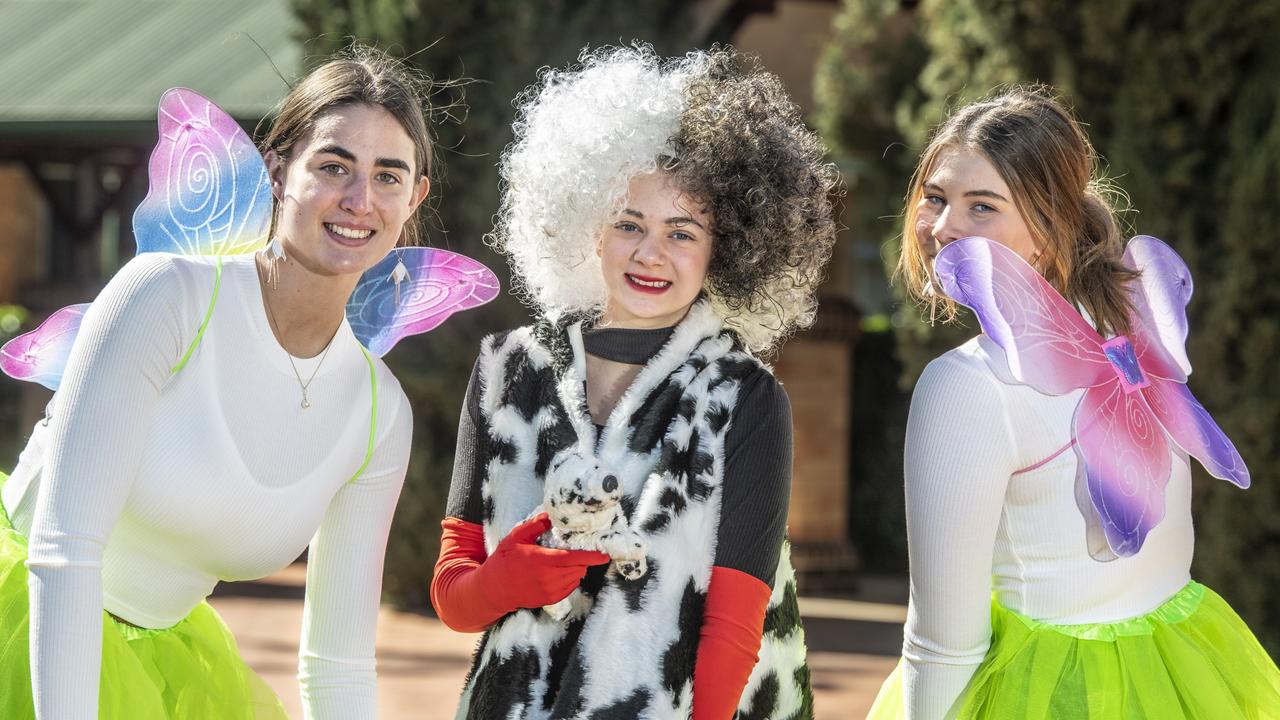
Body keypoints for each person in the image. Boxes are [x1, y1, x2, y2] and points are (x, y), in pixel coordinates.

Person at [0, 46, 435, 718]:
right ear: (278, 170)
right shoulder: (165, 299)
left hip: (164, 675)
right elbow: (63, 552)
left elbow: (338, 666)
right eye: (332, 165)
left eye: (387, 175)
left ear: (415, 198)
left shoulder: (380, 416)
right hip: (28, 619)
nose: (358, 199)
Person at [429, 45, 838, 720]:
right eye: (629, 223)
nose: (651, 252)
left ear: (726, 250)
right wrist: (504, 581)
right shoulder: (509, 370)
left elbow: (734, 629)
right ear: (592, 225)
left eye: (683, 232)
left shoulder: (745, 398)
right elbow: (452, 594)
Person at [868, 86, 1280, 718]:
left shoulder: (967, 385)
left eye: (983, 206)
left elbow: (944, 643)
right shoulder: (1130, 333)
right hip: (1179, 675)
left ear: (1048, 226)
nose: (944, 227)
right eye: (935, 196)